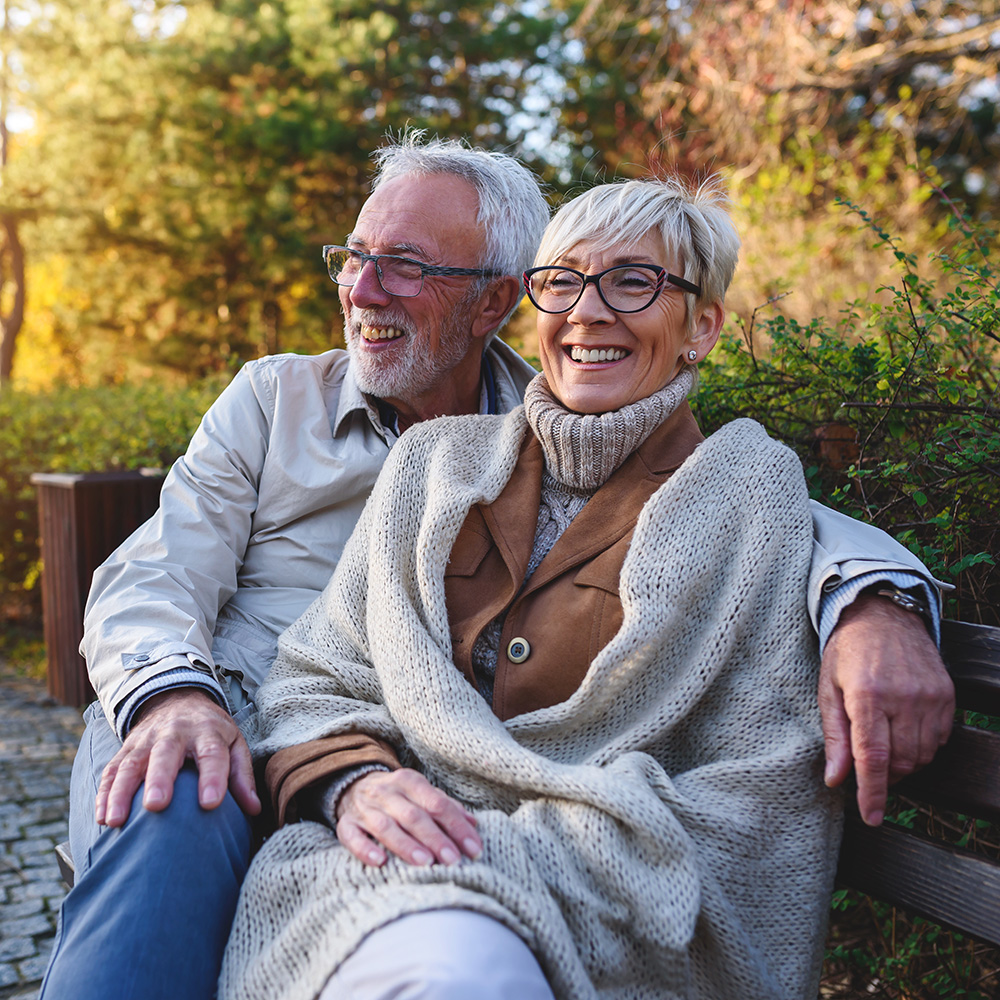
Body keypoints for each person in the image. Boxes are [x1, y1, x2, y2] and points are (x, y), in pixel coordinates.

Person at [41, 135, 951, 1000]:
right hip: (228, 716)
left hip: (409, 793)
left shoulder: (569, 421)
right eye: (353, 257)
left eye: (405, 264)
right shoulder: (286, 404)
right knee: (174, 795)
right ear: (541, 297)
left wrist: (878, 602)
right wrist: (177, 698)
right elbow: (153, 578)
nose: (363, 289)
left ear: (492, 301)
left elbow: (754, 506)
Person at [221, 175, 857, 999]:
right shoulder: (432, 464)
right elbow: (317, 674)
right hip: (374, 870)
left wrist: (494, 851)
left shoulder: (749, 493)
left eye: (634, 281)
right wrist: (356, 781)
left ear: (702, 326)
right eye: (561, 281)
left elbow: (761, 784)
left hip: (602, 899)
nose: (589, 311)